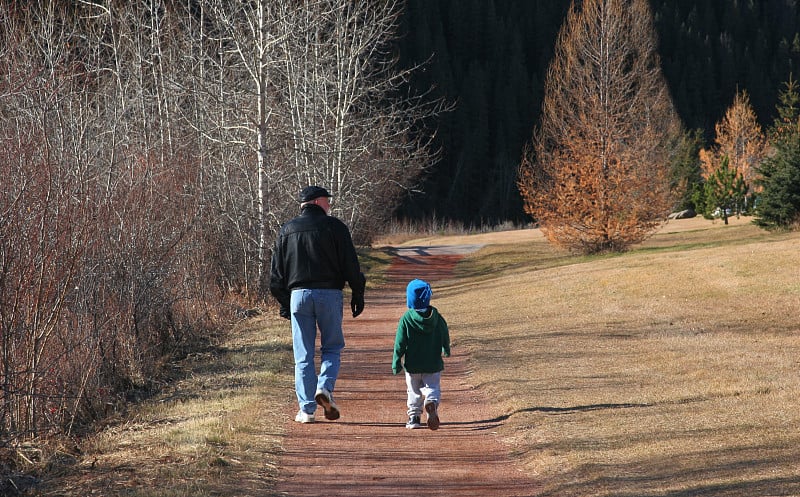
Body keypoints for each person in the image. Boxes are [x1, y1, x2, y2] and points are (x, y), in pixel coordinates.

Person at [269, 185, 365, 424]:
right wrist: (357, 293)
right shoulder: (336, 227)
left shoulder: (287, 230)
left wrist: (285, 304)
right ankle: (325, 387)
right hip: (329, 294)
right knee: (332, 348)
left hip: (298, 296)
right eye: (327, 201)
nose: (329, 205)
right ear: (318, 201)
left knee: (303, 355)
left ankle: (307, 410)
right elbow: (351, 266)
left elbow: (275, 277)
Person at [392, 279, 450, 430]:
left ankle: (414, 418)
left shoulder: (406, 319)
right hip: (432, 362)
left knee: (413, 390)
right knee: (432, 387)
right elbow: (444, 333)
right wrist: (446, 348)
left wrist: (396, 361)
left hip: (413, 364)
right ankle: (431, 401)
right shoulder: (437, 317)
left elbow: (400, 342)